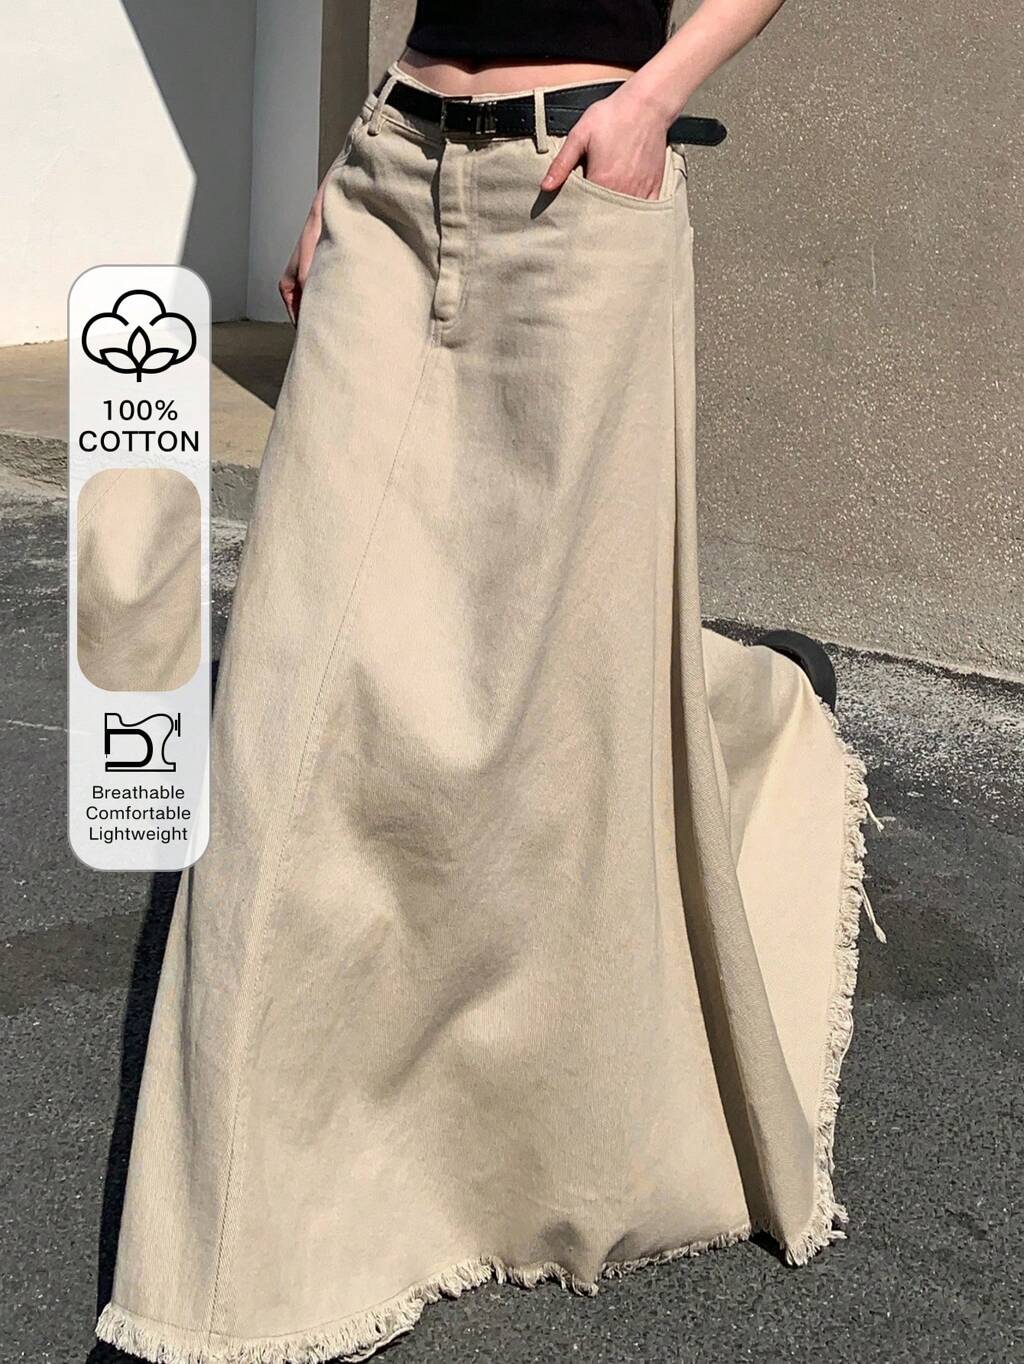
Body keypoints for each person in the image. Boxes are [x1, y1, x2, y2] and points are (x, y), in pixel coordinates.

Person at [97, 3, 885, 1361]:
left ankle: (745, 715)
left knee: (549, 687)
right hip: (392, 168)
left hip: (578, 179)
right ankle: (226, 1266)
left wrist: (654, 100)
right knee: (290, 683)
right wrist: (345, 171)